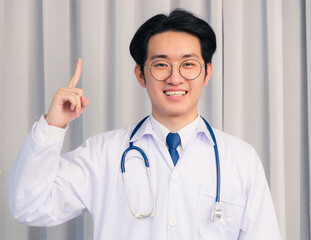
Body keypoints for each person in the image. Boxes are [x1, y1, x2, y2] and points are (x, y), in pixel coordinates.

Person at [9, 9, 281, 239]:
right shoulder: (103, 153)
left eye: (188, 64)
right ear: (141, 74)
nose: (175, 78)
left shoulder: (240, 159)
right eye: (161, 65)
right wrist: (52, 127)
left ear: (207, 72)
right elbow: (29, 206)